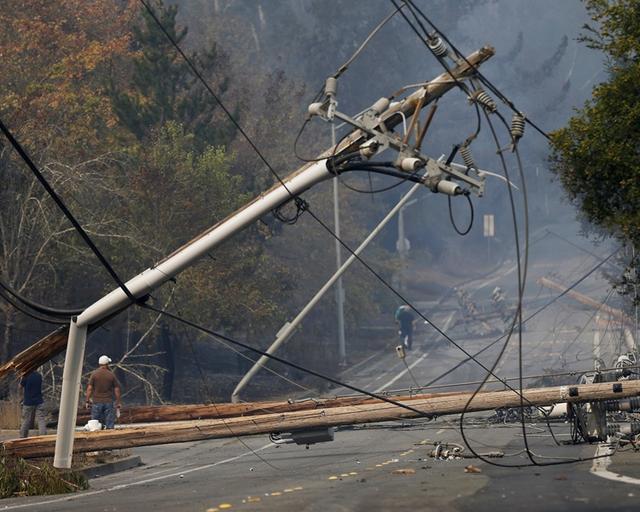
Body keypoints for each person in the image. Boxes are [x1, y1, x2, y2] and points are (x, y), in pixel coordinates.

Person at [85, 355, 121, 429]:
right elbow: (117, 389)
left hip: (96, 402)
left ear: (99, 364)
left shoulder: (94, 374)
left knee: (94, 425)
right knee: (109, 425)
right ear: (107, 364)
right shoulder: (111, 375)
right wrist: (118, 401)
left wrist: (87, 400)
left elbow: (89, 388)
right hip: (108, 402)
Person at [20, 370, 46, 438]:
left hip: (28, 402)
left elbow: (21, 385)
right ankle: (43, 436)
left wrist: (22, 377)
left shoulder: (26, 376)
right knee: (41, 419)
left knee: (25, 420)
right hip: (39, 401)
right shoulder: (39, 376)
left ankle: (23, 437)